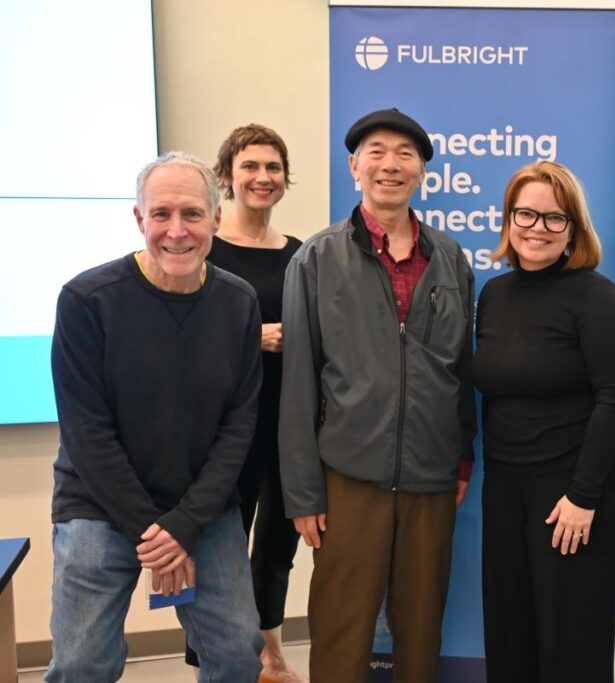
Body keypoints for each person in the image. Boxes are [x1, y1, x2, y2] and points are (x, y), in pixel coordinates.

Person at [46, 152, 264, 682]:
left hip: (202, 509)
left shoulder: (239, 303)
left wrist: (185, 524)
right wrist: (155, 533)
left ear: (216, 218)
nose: (176, 231)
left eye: (192, 214)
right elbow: (87, 432)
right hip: (99, 505)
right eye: (161, 214)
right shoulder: (86, 300)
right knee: (81, 666)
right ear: (139, 219)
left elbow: (238, 428)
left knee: (238, 655)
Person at [278, 108, 476, 683]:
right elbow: (297, 385)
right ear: (354, 166)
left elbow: (459, 371)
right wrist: (302, 493)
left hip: (432, 473)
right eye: (377, 152)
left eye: (405, 155)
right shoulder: (316, 258)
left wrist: (462, 455)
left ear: (421, 173)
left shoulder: (450, 258)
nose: (390, 164)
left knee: (420, 628)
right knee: (342, 627)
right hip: (347, 477)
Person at [472, 160, 615, 683]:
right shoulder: (494, 295)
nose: (537, 228)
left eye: (554, 218)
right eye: (526, 214)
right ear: (507, 219)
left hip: (572, 494)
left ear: (573, 230)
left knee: (571, 646)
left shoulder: (595, 296)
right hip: (504, 489)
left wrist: (583, 496)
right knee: (509, 631)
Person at [181, 124, 303, 682]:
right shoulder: (202, 248)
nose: (262, 177)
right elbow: (178, 334)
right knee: (220, 544)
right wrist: (251, 338)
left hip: (288, 420)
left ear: (284, 179)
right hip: (224, 426)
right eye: (250, 166)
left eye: (273, 167)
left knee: (278, 544)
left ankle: (269, 650)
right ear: (226, 176)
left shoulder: (302, 255)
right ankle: (213, 655)